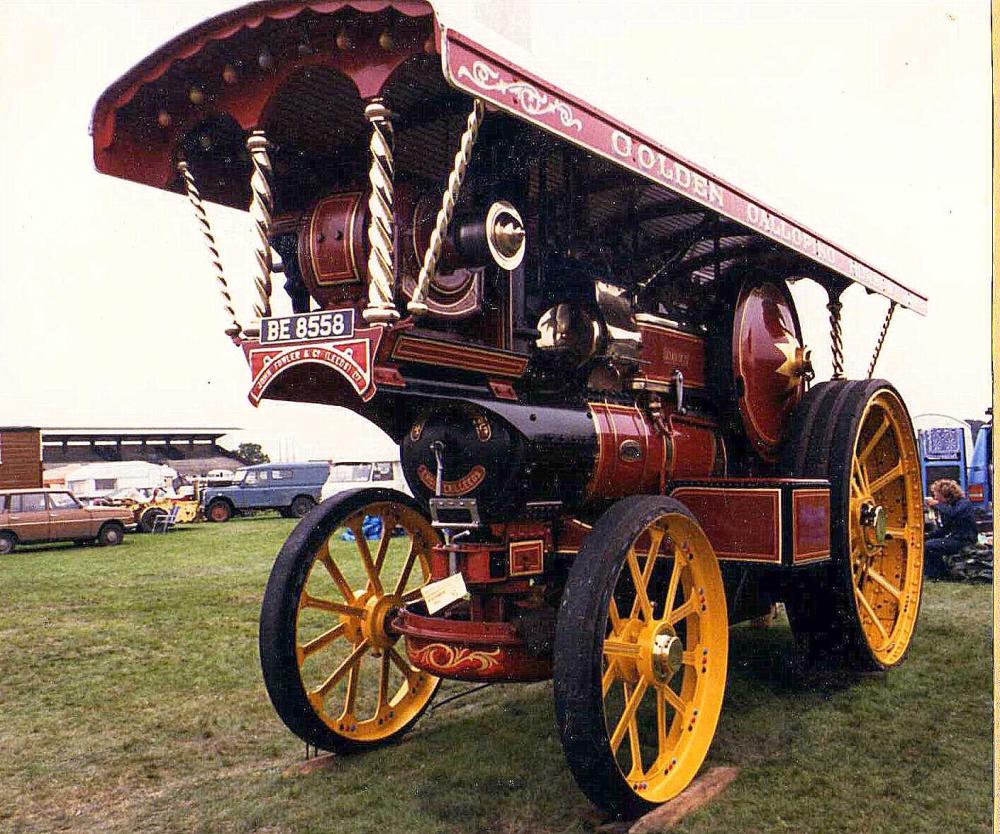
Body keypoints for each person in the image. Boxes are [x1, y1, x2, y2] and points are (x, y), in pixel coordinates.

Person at [924, 479, 978, 579]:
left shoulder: (964, 504)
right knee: (928, 543)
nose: (935, 497)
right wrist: (926, 536)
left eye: (936, 495)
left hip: (964, 541)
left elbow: (953, 513)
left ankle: (937, 574)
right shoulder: (948, 507)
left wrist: (936, 504)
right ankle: (939, 572)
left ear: (945, 494)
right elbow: (944, 530)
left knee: (929, 546)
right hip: (954, 539)